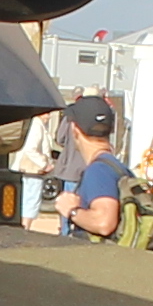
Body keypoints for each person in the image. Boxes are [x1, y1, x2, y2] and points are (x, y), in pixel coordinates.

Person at [44, 97, 129, 242]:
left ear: (74, 129)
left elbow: (104, 223)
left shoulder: (98, 171)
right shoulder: (116, 167)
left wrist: (72, 211)